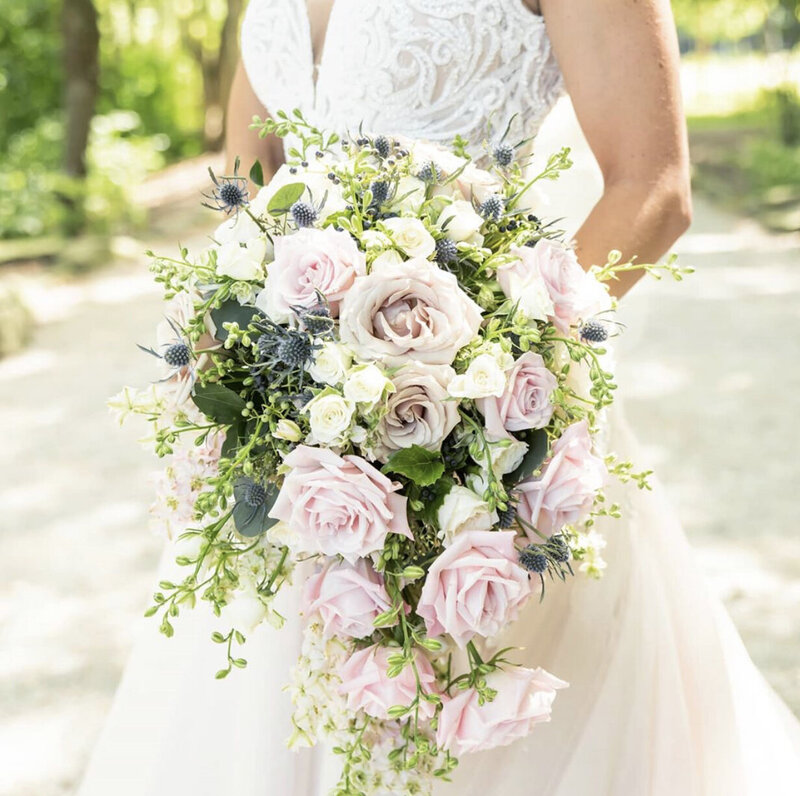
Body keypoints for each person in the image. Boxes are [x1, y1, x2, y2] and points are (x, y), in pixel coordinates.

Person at [79, 1, 800, 794]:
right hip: (296, 450)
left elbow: (653, 188)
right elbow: (252, 189)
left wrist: (487, 373)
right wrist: (247, 368)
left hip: (485, 443)